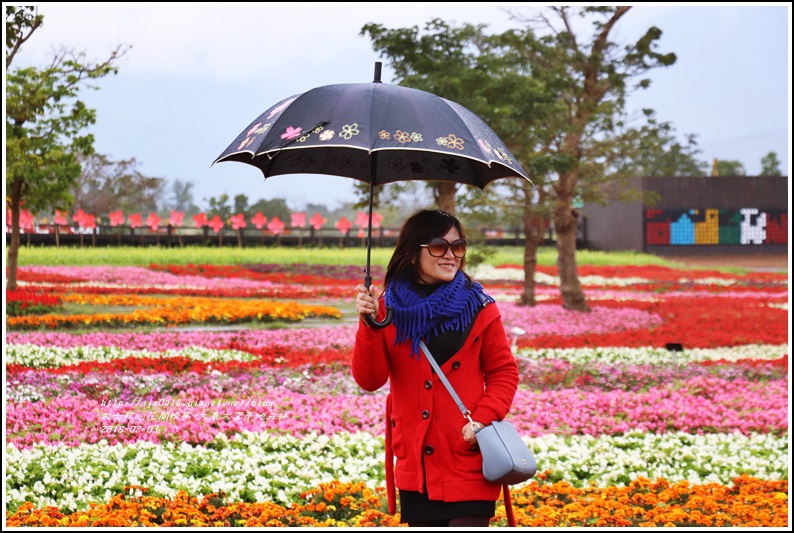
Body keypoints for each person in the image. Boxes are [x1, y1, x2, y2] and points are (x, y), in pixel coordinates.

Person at [352, 209, 519, 527]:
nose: (451, 255)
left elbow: (503, 372)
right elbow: (370, 380)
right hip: (417, 466)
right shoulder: (387, 309)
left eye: (458, 246)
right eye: (440, 245)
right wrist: (369, 324)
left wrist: (482, 421)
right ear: (413, 251)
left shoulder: (480, 306)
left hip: (467, 456)